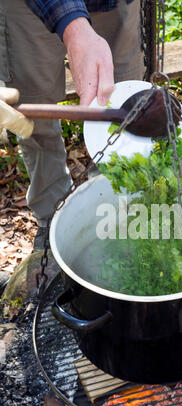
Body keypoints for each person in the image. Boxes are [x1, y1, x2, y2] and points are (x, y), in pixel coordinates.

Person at [0, 0, 145, 249]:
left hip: (118, 4)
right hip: (28, 7)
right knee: (34, 112)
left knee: (124, 103)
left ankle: (111, 212)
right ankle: (52, 218)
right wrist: (74, 26)